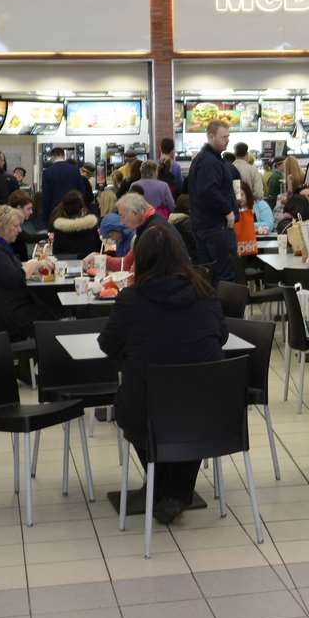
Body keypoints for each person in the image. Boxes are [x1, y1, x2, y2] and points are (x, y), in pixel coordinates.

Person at [95, 220, 225, 526]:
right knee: (186, 419)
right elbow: (221, 335)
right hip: (207, 407)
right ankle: (176, 493)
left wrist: (131, 359)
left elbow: (107, 343)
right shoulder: (204, 292)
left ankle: (165, 490)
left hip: (145, 407)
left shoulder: (131, 300)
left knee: (144, 415)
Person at [0, 206, 55, 341]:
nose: (20, 230)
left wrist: (30, 266)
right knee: (52, 315)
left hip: (2, 311)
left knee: (48, 309)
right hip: (5, 317)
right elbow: (15, 278)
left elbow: (8, 270)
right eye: (15, 226)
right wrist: (34, 264)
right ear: (0, 227)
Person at [187, 119, 240, 282]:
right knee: (224, 276)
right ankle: (224, 308)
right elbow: (208, 191)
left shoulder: (209, 159)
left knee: (212, 276)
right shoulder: (209, 161)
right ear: (211, 136)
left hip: (208, 227)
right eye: (223, 137)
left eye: (228, 136)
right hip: (214, 228)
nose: (227, 140)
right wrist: (228, 210)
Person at [49, 190, 101, 257]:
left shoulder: (59, 230)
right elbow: (98, 249)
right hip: (89, 265)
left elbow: (56, 253)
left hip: (65, 265)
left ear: (64, 210)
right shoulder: (91, 227)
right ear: (82, 210)